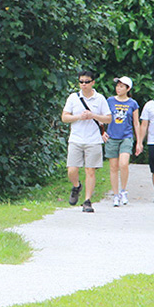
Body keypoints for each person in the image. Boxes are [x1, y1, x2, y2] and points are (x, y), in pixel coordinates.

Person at [62, 71, 112, 213]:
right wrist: (78, 117)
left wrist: (93, 115)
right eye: (81, 82)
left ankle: (87, 201)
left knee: (90, 170)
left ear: (93, 83)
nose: (83, 84)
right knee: (72, 169)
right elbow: (64, 117)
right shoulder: (73, 98)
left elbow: (108, 118)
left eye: (86, 82)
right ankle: (77, 186)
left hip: (93, 139)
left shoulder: (100, 98)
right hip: (76, 138)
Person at [104, 76, 142, 207]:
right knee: (113, 167)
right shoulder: (109, 101)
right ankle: (115, 194)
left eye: (122, 86)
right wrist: (102, 132)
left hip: (126, 136)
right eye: (118, 85)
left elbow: (136, 123)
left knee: (123, 163)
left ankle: (123, 191)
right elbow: (103, 117)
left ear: (128, 88)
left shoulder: (133, 103)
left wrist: (139, 141)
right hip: (112, 136)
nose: (118, 88)